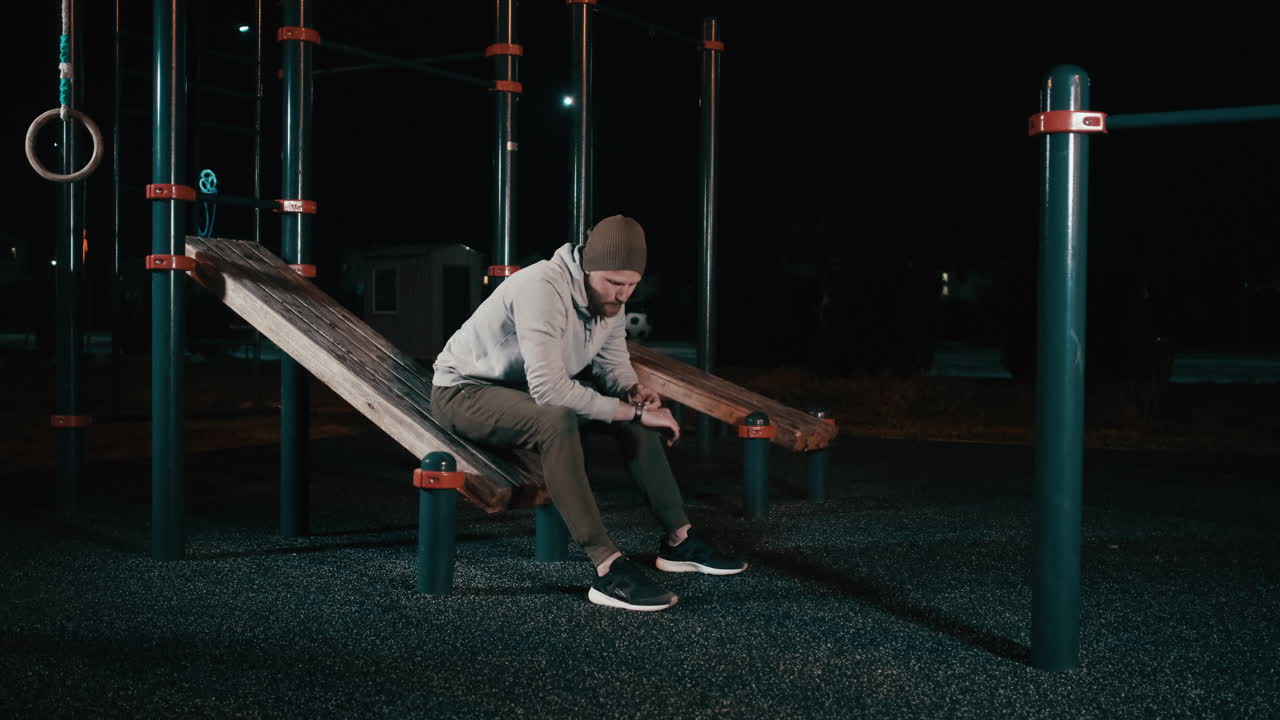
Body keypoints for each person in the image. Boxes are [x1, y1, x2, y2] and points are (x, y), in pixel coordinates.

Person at [431, 215, 746, 611]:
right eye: (614, 283)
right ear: (587, 266)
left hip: (523, 395)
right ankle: (607, 567)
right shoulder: (541, 286)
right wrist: (633, 413)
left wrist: (633, 392)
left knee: (631, 415)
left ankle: (679, 540)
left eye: (631, 285)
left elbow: (612, 364)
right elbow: (549, 389)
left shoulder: (611, 301)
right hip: (465, 392)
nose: (622, 295)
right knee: (559, 420)